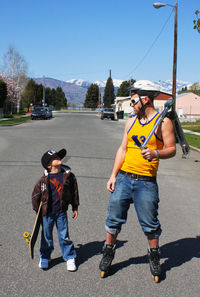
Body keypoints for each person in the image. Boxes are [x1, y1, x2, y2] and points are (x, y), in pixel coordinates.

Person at [99, 80, 176, 280]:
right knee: (113, 219)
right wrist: (113, 175)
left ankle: (154, 256)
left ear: (146, 99)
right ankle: (108, 252)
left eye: (133, 99)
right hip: (124, 178)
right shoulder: (131, 121)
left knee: (150, 224)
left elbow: (172, 149)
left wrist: (156, 153)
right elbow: (123, 149)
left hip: (146, 182)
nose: (131, 103)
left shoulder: (163, 122)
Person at [32, 148, 79, 271]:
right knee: (46, 236)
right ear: (49, 165)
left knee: (64, 236)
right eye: (55, 158)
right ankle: (45, 257)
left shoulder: (68, 176)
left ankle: (69, 256)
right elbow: (35, 196)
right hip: (47, 214)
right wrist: (38, 212)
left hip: (61, 212)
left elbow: (74, 192)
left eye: (58, 156)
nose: (59, 158)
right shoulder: (43, 181)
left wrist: (75, 207)